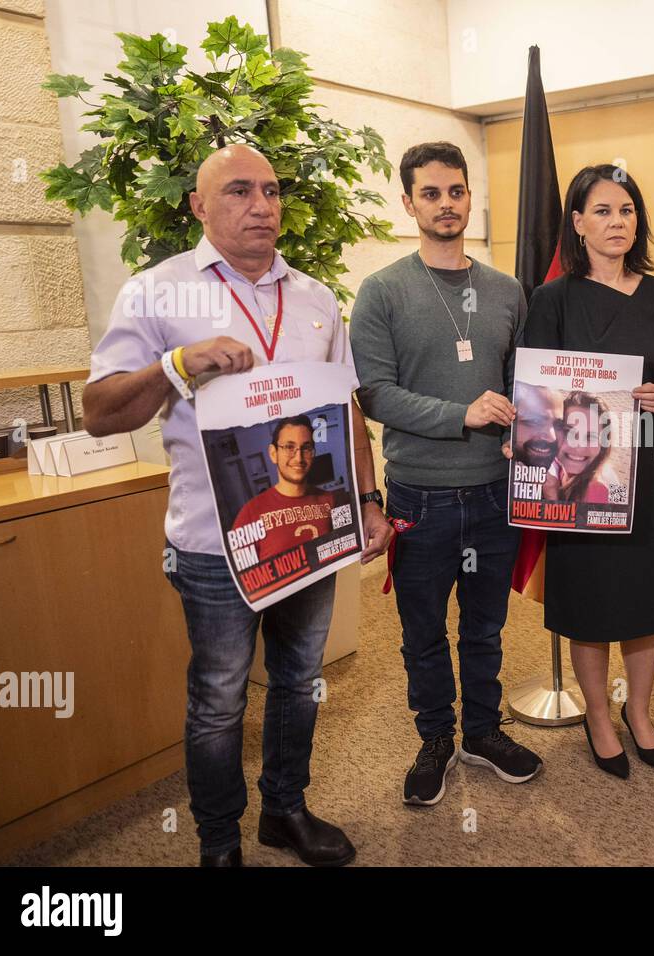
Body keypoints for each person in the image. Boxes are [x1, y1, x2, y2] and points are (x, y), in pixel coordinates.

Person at [83, 144, 391, 867]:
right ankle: (218, 843)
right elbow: (99, 413)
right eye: (239, 192)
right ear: (198, 205)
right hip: (214, 545)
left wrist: (369, 498)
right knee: (219, 701)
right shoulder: (157, 293)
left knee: (300, 682)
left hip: (312, 530)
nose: (262, 205)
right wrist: (176, 365)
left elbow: (344, 410)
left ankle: (285, 810)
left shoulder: (315, 297)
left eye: (273, 191)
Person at [350, 141, 542, 806]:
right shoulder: (381, 292)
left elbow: (526, 386)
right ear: (408, 203)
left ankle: (482, 733)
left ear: (469, 198)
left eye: (455, 191)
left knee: (486, 628)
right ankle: (435, 737)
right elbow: (373, 394)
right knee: (423, 632)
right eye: (430, 194)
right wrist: (462, 413)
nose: (445, 204)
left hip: (494, 493)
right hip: (419, 498)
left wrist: (529, 431)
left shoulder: (507, 291)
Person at [524, 164, 654, 779]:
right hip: (583, 475)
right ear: (578, 222)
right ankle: (598, 715)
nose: (616, 222)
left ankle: (639, 712)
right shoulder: (553, 299)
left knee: (645, 594)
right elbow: (536, 391)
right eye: (601, 210)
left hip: (649, 465)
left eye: (626, 210)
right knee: (590, 597)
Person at [230, 416, 347, 564]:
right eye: (289, 447)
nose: (298, 458)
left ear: (313, 453)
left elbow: (348, 556)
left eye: (306, 448)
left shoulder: (334, 501)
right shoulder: (249, 514)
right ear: (273, 454)